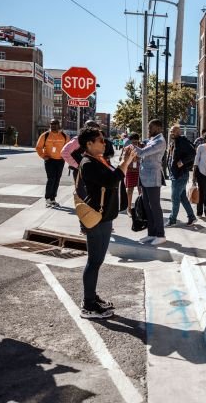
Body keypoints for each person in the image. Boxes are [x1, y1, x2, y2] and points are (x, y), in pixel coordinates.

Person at [77, 127, 136, 318]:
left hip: (105, 217)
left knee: (98, 260)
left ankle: (92, 297)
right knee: (94, 261)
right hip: (96, 218)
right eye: (100, 140)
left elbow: (113, 177)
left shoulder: (99, 159)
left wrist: (122, 163)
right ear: (89, 144)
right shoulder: (87, 163)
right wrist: (125, 162)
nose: (105, 142)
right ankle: (88, 305)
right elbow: (112, 181)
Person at [128, 119, 167, 245]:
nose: (148, 130)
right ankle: (151, 233)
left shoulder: (160, 141)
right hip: (144, 177)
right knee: (147, 206)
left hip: (153, 177)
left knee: (155, 207)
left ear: (158, 128)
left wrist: (131, 144)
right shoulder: (152, 140)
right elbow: (144, 145)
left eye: (151, 128)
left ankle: (160, 235)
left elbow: (143, 152)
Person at [166, 125, 197, 227]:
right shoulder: (174, 142)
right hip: (175, 174)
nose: (171, 133)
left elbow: (193, 153)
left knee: (175, 197)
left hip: (180, 174)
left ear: (179, 132)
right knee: (182, 197)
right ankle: (192, 217)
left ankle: (172, 219)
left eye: (173, 131)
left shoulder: (182, 142)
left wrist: (183, 162)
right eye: (170, 131)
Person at [35, 119, 69, 208]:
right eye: (51, 124)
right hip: (49, 160)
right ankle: (48, 199)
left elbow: (68, 148)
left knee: (57, 179)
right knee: (51, 179)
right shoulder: (45, 135)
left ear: (59, 125)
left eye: (55, 124)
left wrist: (66, 158)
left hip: (60, 161)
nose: (53, 126)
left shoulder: (64, 136)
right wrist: (43, 156)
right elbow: (38, 147)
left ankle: (53, 199)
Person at [124, 132, 142, 214]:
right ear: (130, 141)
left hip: (140, 171)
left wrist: (137, 158)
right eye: (133, 142)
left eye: (136, 142)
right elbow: (123, 159)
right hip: (130, 171)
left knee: (141, 190)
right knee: (130, 190)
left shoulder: (142, 147)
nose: (135, 144)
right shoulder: (127, 148)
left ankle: (141, 207)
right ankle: (129, 208)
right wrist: (130, 158)